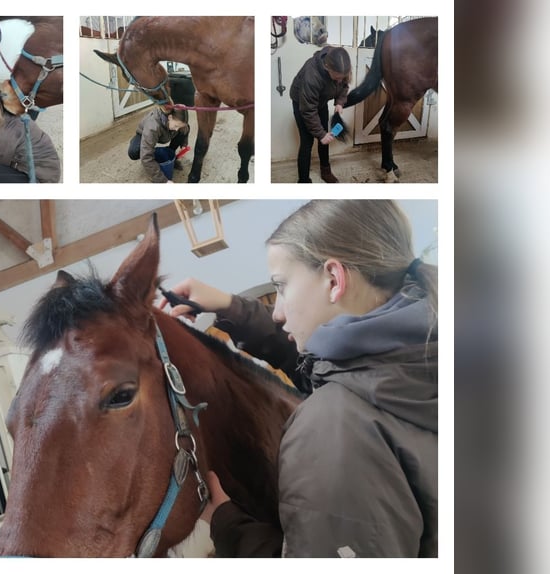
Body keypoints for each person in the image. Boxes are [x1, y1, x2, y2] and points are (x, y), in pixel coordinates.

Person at [160, 200, 438, 557]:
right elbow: (334, 368)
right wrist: (233, 308)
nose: (277, 311)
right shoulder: (422, 355)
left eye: (281, 286)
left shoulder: (330, 426)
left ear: (334, 280)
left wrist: (228, 525)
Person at [290, 46, 351, 183]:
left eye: (342, 77)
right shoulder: (312, 74)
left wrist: (340, 102)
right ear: (327, 67)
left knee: (325, 138)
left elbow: (344, 86)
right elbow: (308, 110)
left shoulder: (342, 69)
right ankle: (304, 180)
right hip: (303, 104)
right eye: (337, 77)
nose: (340, 81)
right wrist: (320, 134)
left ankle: (326, 171)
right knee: (307, 142)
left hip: (320, 102)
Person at [127, 107, 190, 183]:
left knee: (182, 129)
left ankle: (170, 155)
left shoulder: (177, 122)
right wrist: (163, 181)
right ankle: (152, 161)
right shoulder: (152, 126)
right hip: (145, 134)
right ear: (170, 117)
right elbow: (146, 157)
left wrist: (184, 144)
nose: (177, 129)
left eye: (179, 126)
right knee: (134, 152)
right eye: (176, 126)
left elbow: (186, 129)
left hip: (164, 133)